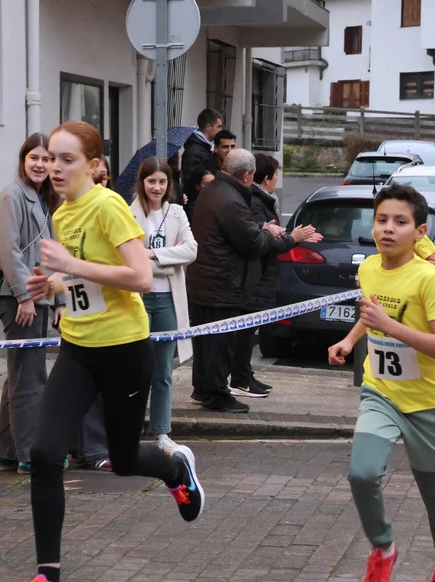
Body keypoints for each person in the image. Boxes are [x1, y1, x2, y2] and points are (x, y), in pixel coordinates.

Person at [14, 121, 205, 582]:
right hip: (78, 349)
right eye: (50, 158)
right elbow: (82, 279)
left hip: (125, 350)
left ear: (94, 165)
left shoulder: (107, 206)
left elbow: (140, 276)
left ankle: (174, 468)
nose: (54, 167)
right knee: (45, 451)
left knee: (122, 459)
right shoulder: (63, 212)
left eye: (67, 159)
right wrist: (54, 286)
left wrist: (71, 268)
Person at [327, 185, 435, 582]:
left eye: (400, 222)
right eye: (382, 220)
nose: (388, 229)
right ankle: (382, 549)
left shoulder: (429, 279)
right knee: (362, 473)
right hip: (381, 392)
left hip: (426, 403)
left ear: (419, 231)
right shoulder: (370, 267)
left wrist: (390, 326)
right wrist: (351, 339)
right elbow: (372, 314)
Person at [186, 149, 292, 413]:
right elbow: (252, 243)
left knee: (205, 344)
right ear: (246, 175)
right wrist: (268, 232)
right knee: (219, 345)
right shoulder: (231, 200)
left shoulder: (212, 190)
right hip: (223, 284)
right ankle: (216, 395)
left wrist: (259, 229)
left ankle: (203, 389)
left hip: (206, 281)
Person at [0, 134, 64, 475]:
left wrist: (59, 300)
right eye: (34, 157)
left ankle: (6, 452)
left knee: (20, 374)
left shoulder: (45, 197)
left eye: (47, 159)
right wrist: (25, 297)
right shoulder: (12, 195)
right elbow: (8, 251)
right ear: (23, 160)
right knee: (30, 377)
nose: (40, 164)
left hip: (37, 295)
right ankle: (31, 456)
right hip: (18, 297)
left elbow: (53, 254)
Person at [232, 153, 321, 399]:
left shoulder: (262, 200)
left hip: (261, 275)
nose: (276, 181)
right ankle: (240, 378)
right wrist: (293, 238)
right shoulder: (256, 202)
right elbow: (264, 242)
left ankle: (245, 374)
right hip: (255, 275)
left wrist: (291, 236)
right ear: (267, 179)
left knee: (250, 329)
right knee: (245, 330)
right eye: (275, 176)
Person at [129, 157, 198, 454]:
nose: (156, 187)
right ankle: (129, 431)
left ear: (169, 184)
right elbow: (128, 258)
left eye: (162, 181)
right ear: (142, 183)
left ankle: (161, 432)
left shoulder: (177, 213)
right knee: (134, 369)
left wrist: (154, 256)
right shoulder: (128, 213)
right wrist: (170, 259)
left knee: (163, 372)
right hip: (137, 299)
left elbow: (191, 250)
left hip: (168, 300)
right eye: (151, 181)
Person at [180, 108, 223, 209]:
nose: (221, 130)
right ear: (208, 127)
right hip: (198, 205)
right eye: (218, 126)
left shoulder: (207, 147)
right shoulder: (194, 151)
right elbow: (190, 182)